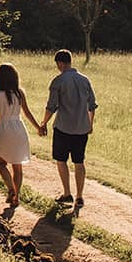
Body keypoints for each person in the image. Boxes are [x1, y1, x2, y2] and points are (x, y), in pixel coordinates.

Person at [38, 48, 98, 210]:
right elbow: (92, 105)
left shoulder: (58, 81)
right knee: (79, 161)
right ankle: (80, 196)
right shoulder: (85, 80)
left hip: (63, 127)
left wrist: (43, 123)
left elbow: (52, 106)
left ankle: (67, 193)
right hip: (81, 128)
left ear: (59, 63)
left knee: (61, 160)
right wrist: (90, 124)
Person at [0, 62, 42, 208]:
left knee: (1, 163)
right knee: (17, 166)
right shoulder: (19, 92)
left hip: (3, 128)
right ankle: (16, 196)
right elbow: (27, 113)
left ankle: (10, 188)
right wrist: (38, 127)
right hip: (18, 129)